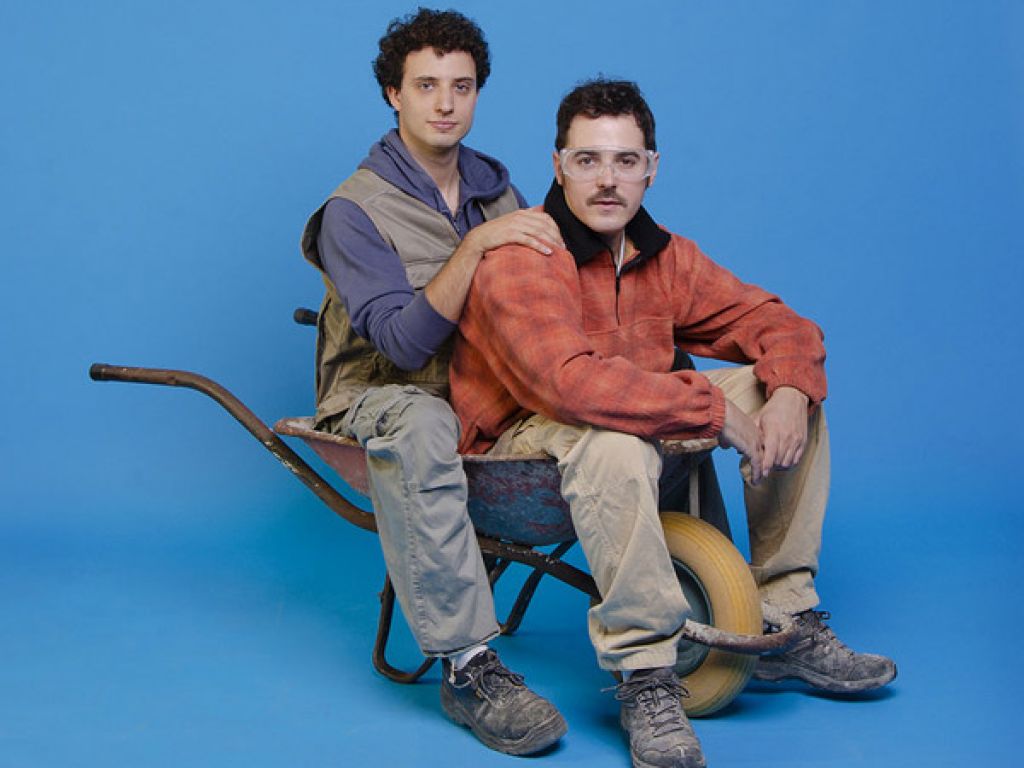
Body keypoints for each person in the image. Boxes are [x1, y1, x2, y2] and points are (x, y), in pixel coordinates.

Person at [451, 78, 897, 768]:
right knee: (615, 442)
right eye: (588, 160)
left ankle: (784, 614)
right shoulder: (523, 258)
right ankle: (646, 677)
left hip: (635, 413)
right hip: (523, 441)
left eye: (625, 161)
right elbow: (568, 384)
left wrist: (787, 391)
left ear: (652, 168)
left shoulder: (662, 256)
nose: (608, 180)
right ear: (558, 165)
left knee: (777, 387)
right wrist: (711, 412)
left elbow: (779, 323)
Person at [299, 8, 569, 757]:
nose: (445, 104)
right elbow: (402, 341)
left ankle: (699, 619)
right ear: (394, 93)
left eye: (462, 86)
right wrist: (477, 247)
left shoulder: (498, 191)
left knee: (625, 400)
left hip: (483, 390)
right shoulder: (353, 211)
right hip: (384, 395)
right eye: (426, 86)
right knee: (424, 424)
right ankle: (468, 665)